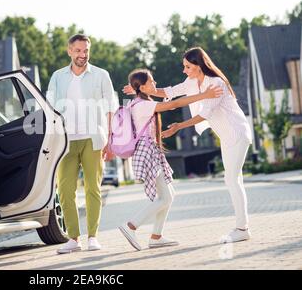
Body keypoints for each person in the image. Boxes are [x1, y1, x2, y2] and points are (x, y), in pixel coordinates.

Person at [124, 47, 253, 243]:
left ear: (199, 66)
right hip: (226, 137)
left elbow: (204, 114)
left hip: (237, 134)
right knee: (234, 180)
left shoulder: (216, 84)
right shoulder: (192, 81)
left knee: (232, 180)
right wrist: (143, 89)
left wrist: (178, 126)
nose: (184, 70)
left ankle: (242, 228)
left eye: (187, 66)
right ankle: (242, 227)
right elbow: (170, 93)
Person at [118, 69, 222, 250]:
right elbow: (176, 104)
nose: (155, 83)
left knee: (168, 195)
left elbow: (170, 102)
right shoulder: (142, 105)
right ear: (142, 87)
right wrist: (204, 95)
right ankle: (131, 226)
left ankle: (156, 236)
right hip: (148, 153)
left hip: (152, 151)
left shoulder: (140, 102)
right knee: (165, 198)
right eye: (151, 82)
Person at [46, 34, 118, 254]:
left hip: (93, 139)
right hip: (66, 141)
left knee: (93, 188)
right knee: (65, 191)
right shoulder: (58, 77)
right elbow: (50, 110)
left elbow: (111, 109)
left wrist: (111, 140)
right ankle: (73, 238)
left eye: (86, 50)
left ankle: (93, 237)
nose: (82, 55)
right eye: (78, 50)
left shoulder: (101, 75)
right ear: (69, 51)